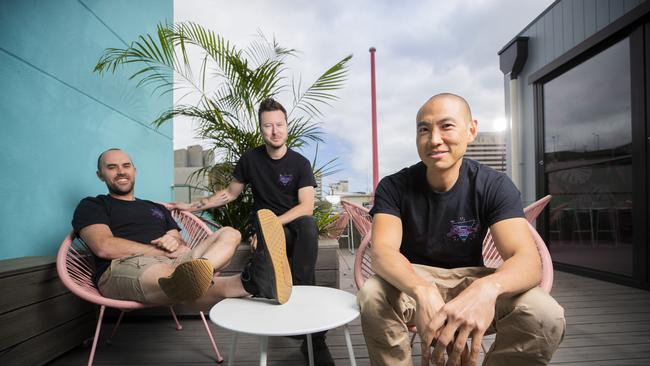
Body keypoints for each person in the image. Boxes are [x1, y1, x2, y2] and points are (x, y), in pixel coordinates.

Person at [357, 93, 565, 366]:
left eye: (446, 126)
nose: (434, 139)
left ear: (471, 131)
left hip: (472, 280)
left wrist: (486, 290)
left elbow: (526, 259)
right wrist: (422, 290)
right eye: (424, 129)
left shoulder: (494, 185)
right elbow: (382, 252)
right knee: (373, 295)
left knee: (545, 313)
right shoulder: (394, 186)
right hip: (413, 281)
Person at [170, 97, 333, 366]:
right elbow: (229, 194)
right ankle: (311, 333)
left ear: (287, 127)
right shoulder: (250, 159)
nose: (274, 131)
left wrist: (275, 224)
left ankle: (302, 305)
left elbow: (306, 207)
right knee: (271, 223)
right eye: (268, 126)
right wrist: (191, 206)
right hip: (264, 224)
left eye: (279, 124)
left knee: (307, 224)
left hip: (289, 225)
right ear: (261, 129)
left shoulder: (300, 164)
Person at [72, 148, 293, 314]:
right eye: (112, 167)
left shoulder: (155, 207)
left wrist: (172, 239)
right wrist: (158, 251)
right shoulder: (94, 204)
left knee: (230, 233)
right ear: (100, 175)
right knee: (174, 278)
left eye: (126, 166)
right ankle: (248, 280)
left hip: (175, 261)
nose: (121, 172)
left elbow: (177, 238)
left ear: (134, 171)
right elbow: (103, 246)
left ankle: (201, 273)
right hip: (125, 266)